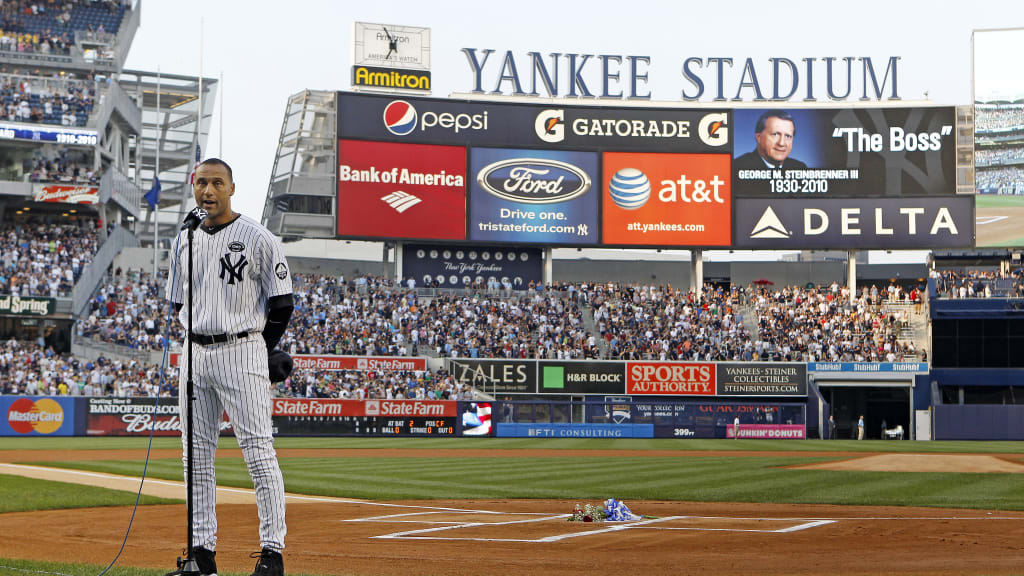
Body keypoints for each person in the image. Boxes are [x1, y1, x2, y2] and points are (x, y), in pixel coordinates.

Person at [167, 158, 293, 576]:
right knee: (196, 459)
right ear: (193, 186)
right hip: (194, 352)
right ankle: (201, 554)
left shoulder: (258, 237)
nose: (208, 191)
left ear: (232, 189)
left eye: (216, 183)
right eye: (201, 182)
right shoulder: (183, 236)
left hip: (241, 349)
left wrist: (263, 347)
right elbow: (176, 302)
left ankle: (272, 553)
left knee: (258, 453)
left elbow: (282, 303)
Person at [733, 110, 808, 171]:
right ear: (759, 137)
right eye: (775, 134)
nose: (781, 143)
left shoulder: (799, 168)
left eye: (788, 136)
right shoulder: (737, 167)